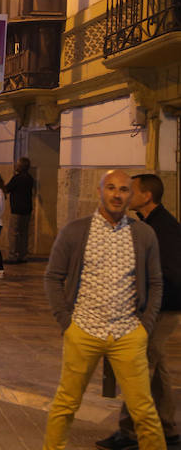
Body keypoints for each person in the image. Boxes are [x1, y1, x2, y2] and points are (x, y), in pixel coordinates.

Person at [42, 170, 164, 450]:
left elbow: (156, 282)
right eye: (111, 188)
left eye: (123, 190)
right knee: (65, 404)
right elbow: (53, 277)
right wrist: (67, 323)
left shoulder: (143, 234)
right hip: (83, 330)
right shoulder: (75, 231)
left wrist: (145, 326)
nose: (117, 195)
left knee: (144, 411)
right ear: (100, 191)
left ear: (130, 196)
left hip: (127, 333)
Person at [97, 173, 181, 450]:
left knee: (139, 367)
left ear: (147, 196)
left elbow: (169, 273)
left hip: (162, 308)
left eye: (130, 190)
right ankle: (167, 428)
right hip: (158, 306)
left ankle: (130, 433)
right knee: (157, 367)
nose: (125, 195)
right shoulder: (150, 223)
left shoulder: (164, 228)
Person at [4, 157, 35, 264]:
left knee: (13, 233)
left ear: (20, 166)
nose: (15, 165)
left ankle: (12, 255)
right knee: (24, 233)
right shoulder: (30, 178)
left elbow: (7, 188)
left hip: (17, 209)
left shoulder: (17, 178)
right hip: (27, 209)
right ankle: (23, 255)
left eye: (17, 164)